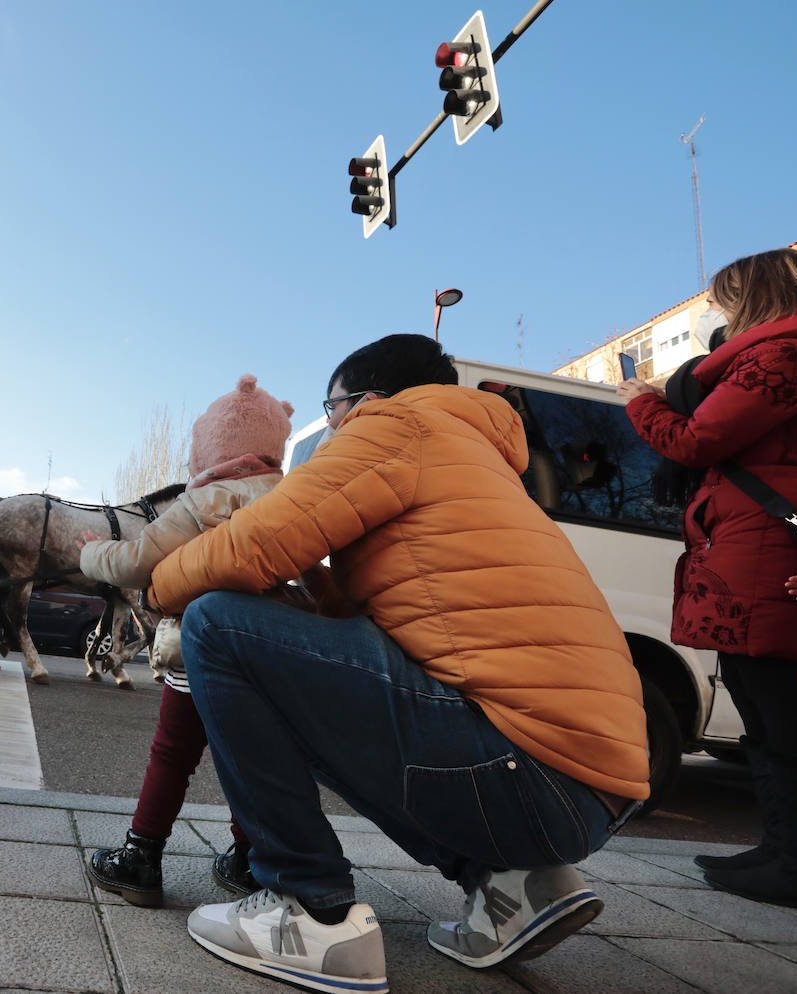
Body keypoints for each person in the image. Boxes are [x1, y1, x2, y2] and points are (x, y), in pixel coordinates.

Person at [145, 334, 649, 993]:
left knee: (214, 622)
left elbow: (252, 545)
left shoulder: (395, 426)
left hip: (523, 771)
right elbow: (372, 638)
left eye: (332, 409)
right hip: (586, 794)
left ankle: (308, 908)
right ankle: (512, 885)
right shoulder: (478, 457)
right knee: (296, 688)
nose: (330, 428)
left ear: (366, 398)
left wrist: (155, 585)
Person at [619, 248, 797, 914]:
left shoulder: (786, 355)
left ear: (757, 295)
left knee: (778, 704)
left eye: (725, 297)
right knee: (760, 697)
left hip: (766, 550)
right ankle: (784, 850)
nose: (718, 310)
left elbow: (696, 442)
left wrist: (643, 406)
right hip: (756, 546)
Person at [79, 374, 294, 908]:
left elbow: (134, 561)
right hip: (268, 656)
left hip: (197, 652)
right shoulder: (292, 498)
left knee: (172, 754)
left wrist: (89, 552)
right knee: (253, 757)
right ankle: (247, 859)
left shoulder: (203, 501)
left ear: (210, 446)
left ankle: (142, 856)